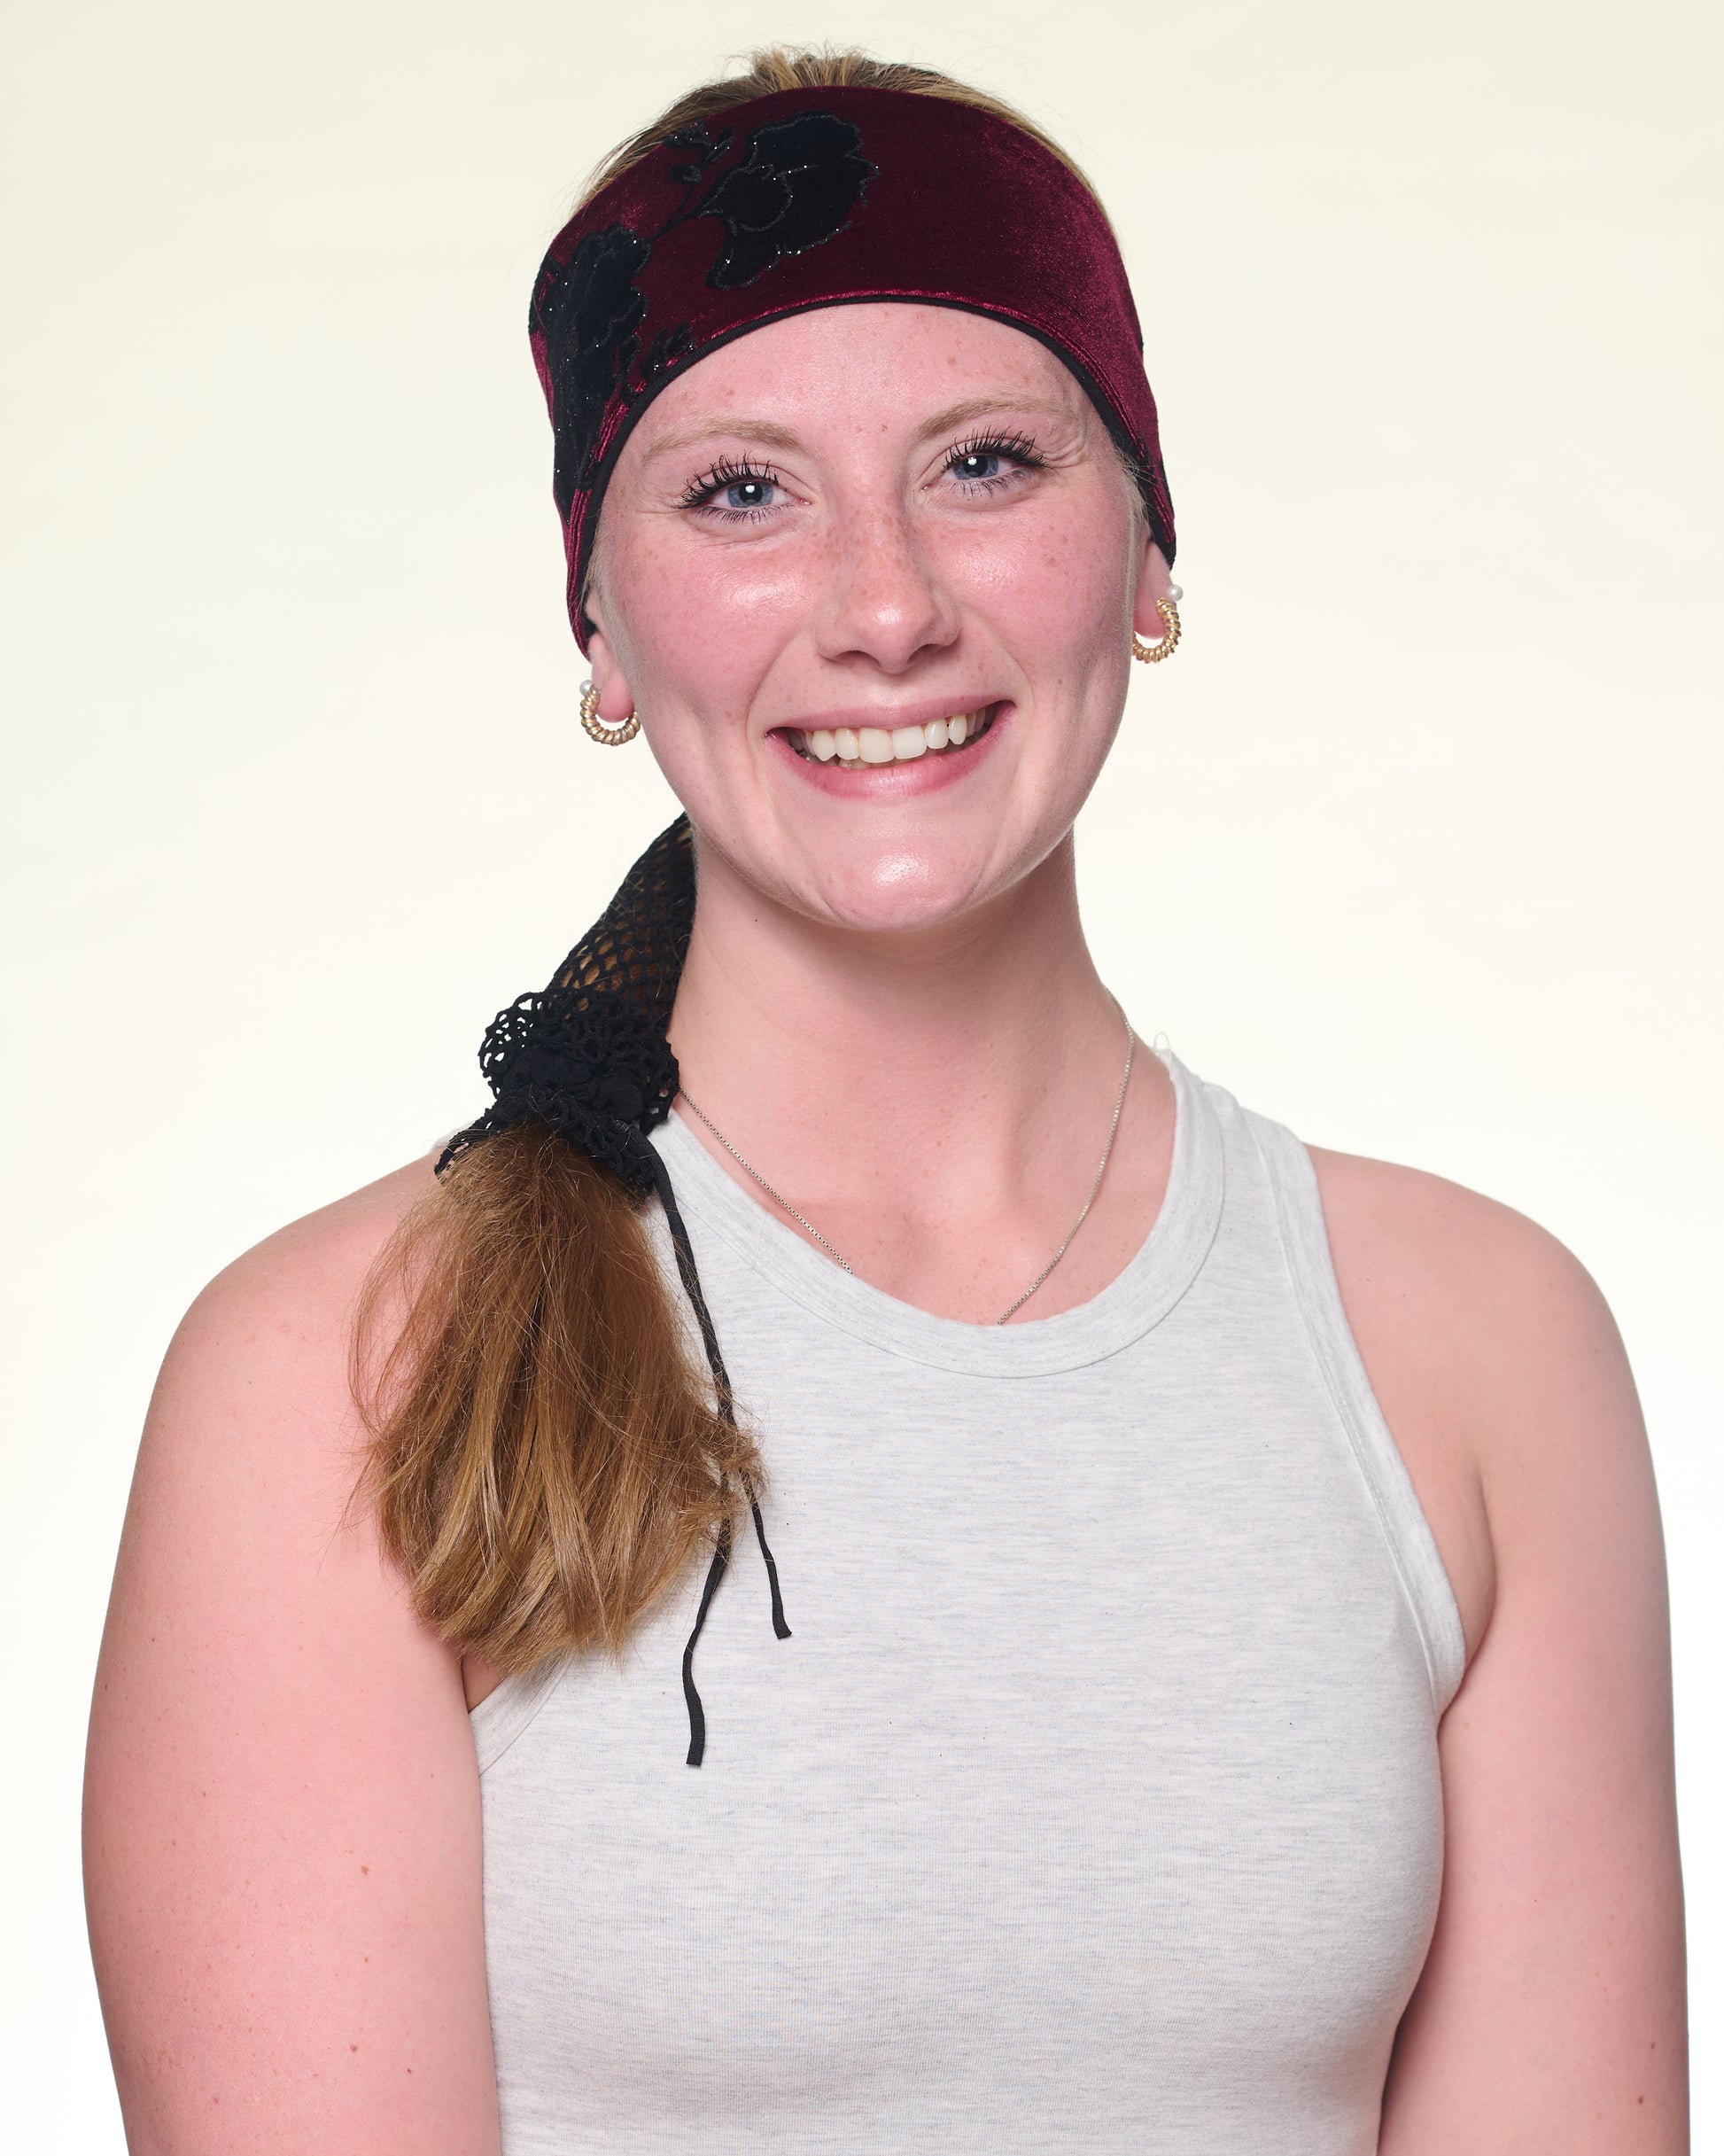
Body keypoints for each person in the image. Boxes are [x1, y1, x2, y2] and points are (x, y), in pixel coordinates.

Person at [83, 46, 1687, 2155]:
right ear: (601, 623)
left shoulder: (1478, 1345)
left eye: (987, 464)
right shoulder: (341, 1370)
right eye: (741, 489)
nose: (883, 604)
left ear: (1148, 551)